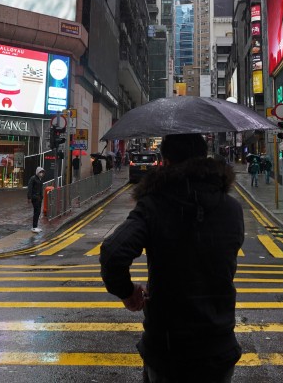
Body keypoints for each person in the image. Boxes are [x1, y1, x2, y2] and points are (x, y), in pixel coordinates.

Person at [100, 133, 243, 382]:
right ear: (204, 157)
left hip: (168, 345)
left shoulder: (153, 205)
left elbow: (113, 253)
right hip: (217, 341)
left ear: (165, 162)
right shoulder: (232, 208)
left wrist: (128, 292)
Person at [28, 166, 46, 233]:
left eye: (42, 172)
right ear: (37, 172)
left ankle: (35, 226)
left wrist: (41, 197)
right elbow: (30, 188)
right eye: (40, 172)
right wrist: (29, 197)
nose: (41, 173)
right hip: (35, 198)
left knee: (38, 212)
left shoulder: (40, 179)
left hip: (39, 198)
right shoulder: (33, 179)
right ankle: (34, 227)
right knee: (36, 212)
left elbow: (40, 189)